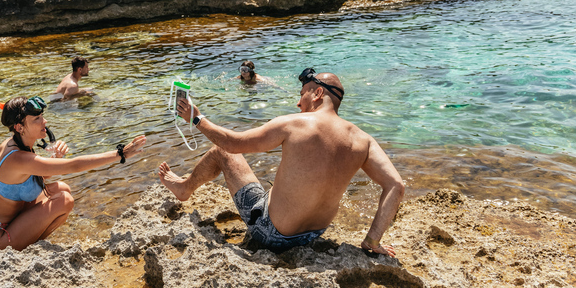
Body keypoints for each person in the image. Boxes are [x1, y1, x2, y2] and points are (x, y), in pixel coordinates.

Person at [158, 68, 404, 256]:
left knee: (221, 153)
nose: (298, 103)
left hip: (271, 233)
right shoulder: (363, 140)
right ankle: (371, 242)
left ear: (318, 93)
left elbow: (231, 143)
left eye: (302, 95)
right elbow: (396, 186)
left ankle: (184, 189)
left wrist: (196, 118)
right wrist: (373, 240)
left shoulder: (294, 124)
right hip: (313, 235)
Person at [0, 95, 146, 253]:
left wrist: (55, 158)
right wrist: (120, 153)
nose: (45, 122)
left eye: (42, 117)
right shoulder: (18, 157)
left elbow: (30, 179)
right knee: (64, 201)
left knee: (62, 188)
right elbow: (74, 165)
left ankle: (31, 244)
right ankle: (29, 250)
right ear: (19, 127)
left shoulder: (15, 143)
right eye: (37, 119)